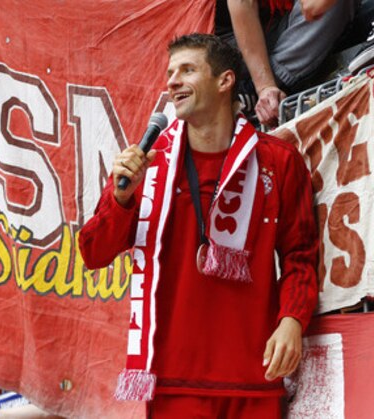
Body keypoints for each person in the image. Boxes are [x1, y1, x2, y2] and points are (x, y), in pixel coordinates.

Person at [78, 34, 318, 418]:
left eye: (187, 70)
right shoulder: (146, 165)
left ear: (224, 82)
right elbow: (93, 252)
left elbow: (300, 256)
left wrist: (292, 319)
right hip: (176, 383)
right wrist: (120, 198)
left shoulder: (279, 160)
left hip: (256, 377)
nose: (172, 81)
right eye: (170, 72)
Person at [217, 0, 358, 126]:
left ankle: (263, 89)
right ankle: (258, 89)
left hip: (288, 27)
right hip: (234, 44)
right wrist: (264, 86)